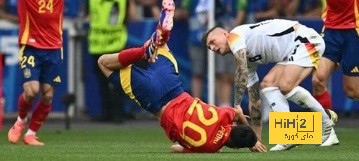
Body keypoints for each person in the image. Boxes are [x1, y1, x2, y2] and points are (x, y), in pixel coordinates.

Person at [97, 0, 267, 153]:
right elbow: (175, 148)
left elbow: (237, 112)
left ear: (234, 126)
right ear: (235, 146)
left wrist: (252, 138)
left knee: (160, 44)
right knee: (103, 63)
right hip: (154, 100)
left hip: (173, 85)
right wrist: (234, 144)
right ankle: (287, 138)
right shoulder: (208, 148)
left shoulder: (225, 116)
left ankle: (143, 51)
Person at [203, 19, 338, 151]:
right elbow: (254, 100)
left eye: (213, 42)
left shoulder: (234, 36)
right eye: (210, 47)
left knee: (286, 85)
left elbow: (241, 70)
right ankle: (288, 136)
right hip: (291, 51)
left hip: (305, 39)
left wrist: (237, 104)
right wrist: (256, 139)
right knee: (267, 85)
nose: (213, 48)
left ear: (225, 34)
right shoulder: (245, 57)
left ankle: (326, 121)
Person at [8, 0, 64, 146]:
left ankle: (31, 134)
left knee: (48, 94)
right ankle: (20, 121)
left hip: (54, 48)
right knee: (32, 90)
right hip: (31, 45)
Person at [312, 0, 359, 111]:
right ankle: (323, 125)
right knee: (317, 80)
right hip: (330, 30)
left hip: (355, 30)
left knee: (352, 92)